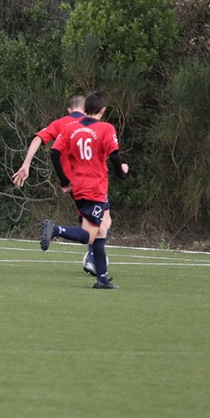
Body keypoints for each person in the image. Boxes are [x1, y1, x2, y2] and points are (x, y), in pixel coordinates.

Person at [16, 96, 107, 275]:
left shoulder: (60, 123)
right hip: (91, 181)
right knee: (102, 222)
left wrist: (26, 165)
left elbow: (37, 140)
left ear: (68, 109)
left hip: (71, 183)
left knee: (92, 221)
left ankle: (93, 259)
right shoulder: (90, 124)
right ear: (87, 109)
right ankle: (92, 259)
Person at [49, 91, 129, 289]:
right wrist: (122, 173)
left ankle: (101, 278)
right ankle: (55, 229)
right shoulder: (106, 128)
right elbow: (115, 156)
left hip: (78, 187)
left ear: (84, 109)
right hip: (95, 187)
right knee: (90, 235)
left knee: (102, 229)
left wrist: (64, 180)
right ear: (102, 110)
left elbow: (54, 152)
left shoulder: (70, 128)